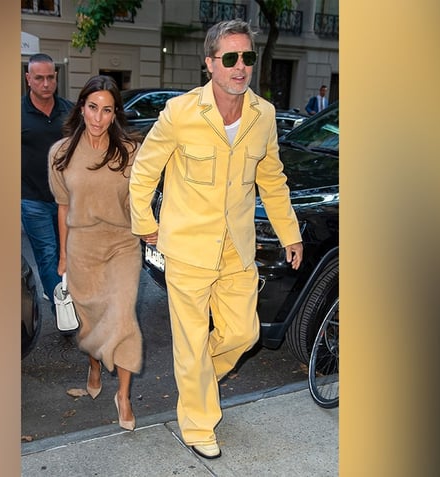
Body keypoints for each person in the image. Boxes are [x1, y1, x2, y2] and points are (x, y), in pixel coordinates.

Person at [129, 19, 304, 459]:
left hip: (237, 247)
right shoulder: (181, 112)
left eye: (247, 57)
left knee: (243, 334)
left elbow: (273, 179)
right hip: (187, 247)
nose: (240, 66)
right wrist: (144, 223)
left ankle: (196, 375)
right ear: (210, 63)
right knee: (189, 340)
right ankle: (199, 422)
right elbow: (144, 171)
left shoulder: (263, 116)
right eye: (230, 58)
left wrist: (290, 233)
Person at [48, 75, 143, 431]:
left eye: (107, 110)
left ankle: (124, 395)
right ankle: (93, 362)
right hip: (82, 245)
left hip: (121, 243)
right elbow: (62, 207)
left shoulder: (130, 151)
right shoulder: (61, 153)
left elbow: (140, 199)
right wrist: (62, 256)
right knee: (91, 324)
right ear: (81, 108)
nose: (98, 118)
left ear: (115, 113)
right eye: (92, 108)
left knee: (122, 318)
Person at [22, 53, 73, 302]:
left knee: (69, 254)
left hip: (67, 199)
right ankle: (62, 309)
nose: (45, 83)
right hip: (33, 199)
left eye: (50, 77)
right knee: (48, 254)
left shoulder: (70, 111)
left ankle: (65, 295)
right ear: (28, 79)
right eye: (39, 78)